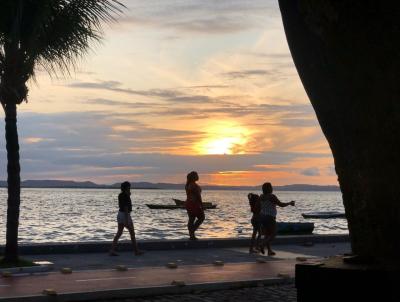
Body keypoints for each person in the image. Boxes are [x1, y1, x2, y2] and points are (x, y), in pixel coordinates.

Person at [259, 182, 295, 256]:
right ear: (270, 188)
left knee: (267, 234)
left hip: (262, 216)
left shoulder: (261, 196)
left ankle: (269, 251)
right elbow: (281, 204)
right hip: (270, 217)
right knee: (273, 233)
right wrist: (289, 203)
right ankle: (262, 244)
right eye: (271, 187)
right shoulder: (272, 196)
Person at [109, 181, 143, 256]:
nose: (130, 188)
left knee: (119, 233)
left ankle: (112, 250)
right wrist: (127, 220)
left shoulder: (120, 195)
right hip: (125, 215)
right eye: (129, 187)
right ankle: (136, 251)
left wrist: (128, 195)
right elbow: (126, 207)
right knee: (132, 233)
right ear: (127, 188)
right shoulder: (126, 196)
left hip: (120, 214)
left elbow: (123, 205)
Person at [185, 171, 205, 240]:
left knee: (191, 219)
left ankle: (192, 236)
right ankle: (192, 231)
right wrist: (201, 205)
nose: (198, 176)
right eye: (197, 175)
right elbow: (198, 196)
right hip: (194, 204)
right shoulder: (194, 185)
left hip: (188, 204)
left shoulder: (188, 185)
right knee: (202, 217)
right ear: (194, 177)